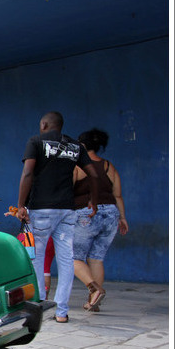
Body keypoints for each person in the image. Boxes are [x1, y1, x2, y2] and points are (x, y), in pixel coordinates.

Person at [16, 111, 100, 323]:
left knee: (37, 257)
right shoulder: (75, 146)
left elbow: (27, 173)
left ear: (44, 124)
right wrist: (94, 200)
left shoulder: (35, 142)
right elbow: (94, 174)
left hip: (41, 210)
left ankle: (40, 307)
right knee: (66, 259)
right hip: (67, 210)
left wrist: (20, 205)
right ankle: (61, 312)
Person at [71, 128, 129, 312]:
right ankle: (93, 301)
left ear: (81, 145)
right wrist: (123, 217)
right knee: (96, 259)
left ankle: (93, 289)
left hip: (87, 214)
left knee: (72, 257)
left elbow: (67, 192)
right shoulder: (108, 166)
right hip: (111, 215)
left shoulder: (78, 166)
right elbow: (117, 195)